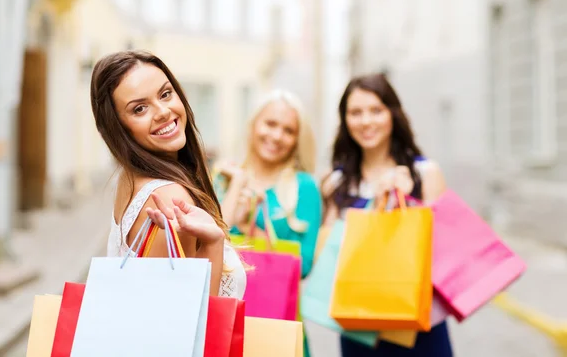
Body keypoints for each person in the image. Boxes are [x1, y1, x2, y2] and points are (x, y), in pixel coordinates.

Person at [91, 50, 245, 299]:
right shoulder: (167, 194)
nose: (162, 111)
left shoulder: (132, 179)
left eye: (165, 94)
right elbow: (192, 317)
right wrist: (214, 244)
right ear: (118, 128)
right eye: (139, 109)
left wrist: (236, 187)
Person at [322, 73, 453, 356]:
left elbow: (445, 254)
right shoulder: (336, 183)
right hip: (359, 327)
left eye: (376, 110)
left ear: (393, 114)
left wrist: (407, 201)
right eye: (355, 112)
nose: (366, 121)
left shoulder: (425, 173)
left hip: (420, 328)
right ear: (344, 120)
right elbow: (327, 258)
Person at [212, 90, 322, 356]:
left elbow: (303, 265)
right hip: (225, 321)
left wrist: (254, 225)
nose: (276, 136)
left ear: (297, 139)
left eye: (288, 130)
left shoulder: (304, 187)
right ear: (253, 125)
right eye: (270, 124)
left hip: (278, 324)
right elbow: (203, 252)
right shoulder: (223, 179)